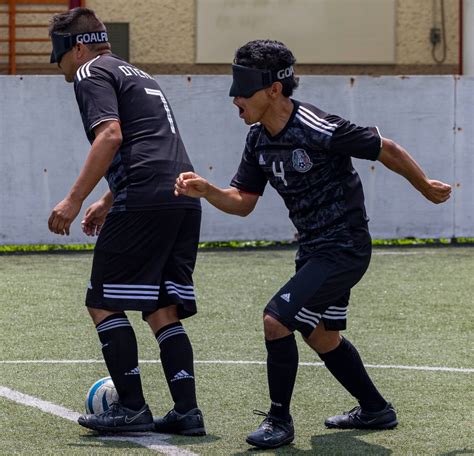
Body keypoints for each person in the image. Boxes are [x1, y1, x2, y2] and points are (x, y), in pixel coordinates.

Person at [174, 39, 452, 449]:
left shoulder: (318, 127)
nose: (235, 97)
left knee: (276, 320)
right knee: (320, 335)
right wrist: (208, 190)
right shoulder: (257, 140)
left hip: (344, 247)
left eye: (243, 87)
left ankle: (279, 421)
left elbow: (385, 148)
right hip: (313, 251)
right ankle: (376, 409)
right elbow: (243, 203)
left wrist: (425, 186)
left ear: (274, 89)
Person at [47, 7, 205, 435]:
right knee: (160, 307)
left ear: (75, 47)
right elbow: (150, 144)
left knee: (102, 300)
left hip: (144, 198)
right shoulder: (139, 74)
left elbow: (111, 135)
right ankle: (187, 411)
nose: (58, 66)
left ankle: (131, 407)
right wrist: (105, 199)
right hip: (182, 195)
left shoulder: (89, 72)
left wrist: (74, 200)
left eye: (57, 55)